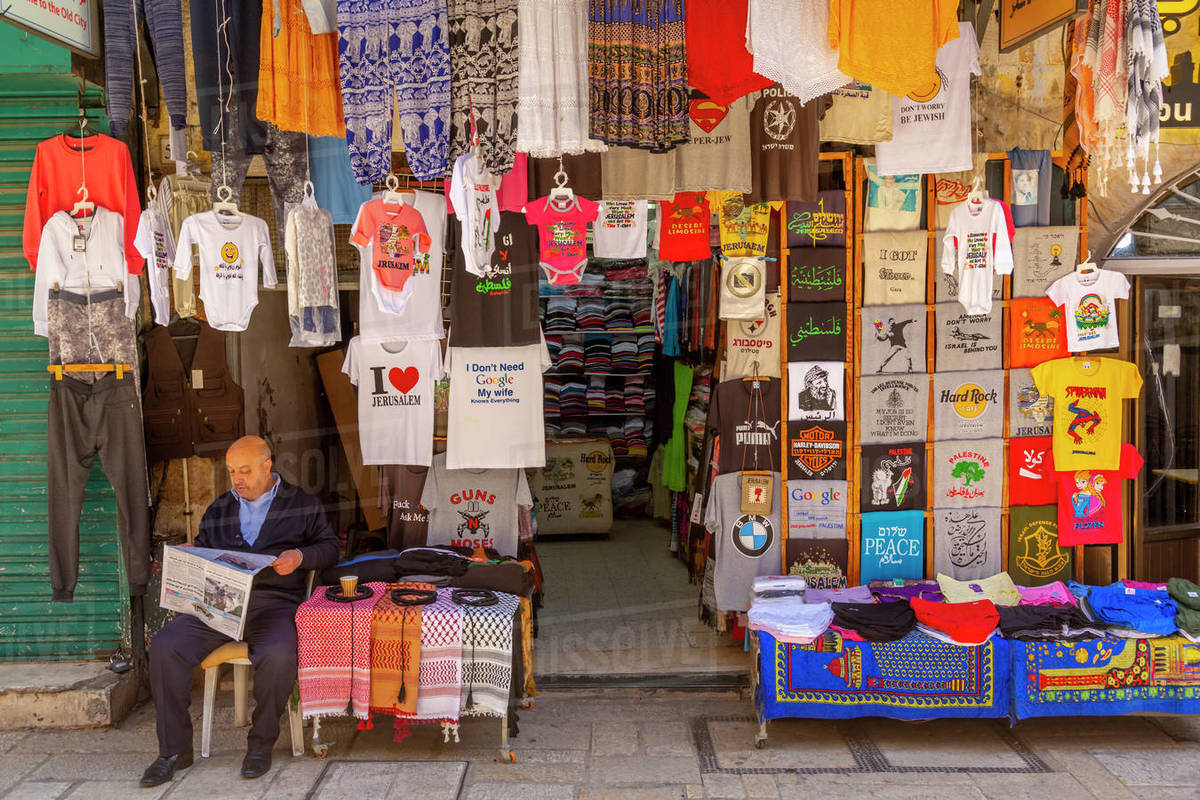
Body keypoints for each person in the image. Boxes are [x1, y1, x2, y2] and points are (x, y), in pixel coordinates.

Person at [140, 436, 339, 787]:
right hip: (220, 604)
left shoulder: (301, 504)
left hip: (273, 605)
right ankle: (173, 751)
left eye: (245, 471)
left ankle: (260, 745)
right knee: (166, 647)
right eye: (232, 471)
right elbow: (206, 549)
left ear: (267, 466)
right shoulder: (220, 508)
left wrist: (299, 557)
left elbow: (330, 547)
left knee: (278, 654)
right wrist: (192, 554)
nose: (237, 479)